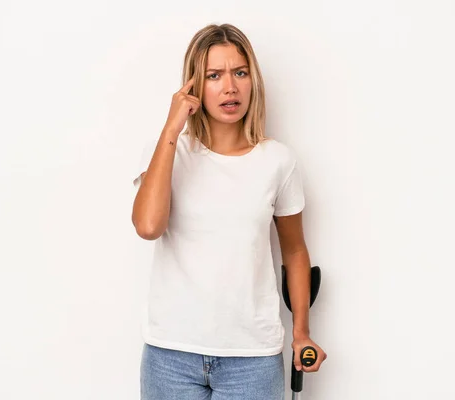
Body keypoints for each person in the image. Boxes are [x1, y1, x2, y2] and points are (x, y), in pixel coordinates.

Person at [131, 23, 327, 400]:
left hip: (251, 360)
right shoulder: (166, 152)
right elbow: (148, 225)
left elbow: (295, 251)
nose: (230, 87)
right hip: (170, 355)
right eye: (213, 75)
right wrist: (173, 125)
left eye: (239, 72)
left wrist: (301, 330)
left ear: (252, 80)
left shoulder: (277, 161)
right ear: (193, 86)